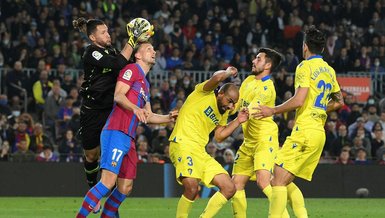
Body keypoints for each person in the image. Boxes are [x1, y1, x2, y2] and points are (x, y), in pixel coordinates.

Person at [77, 42, 177, 218]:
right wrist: (135, 109)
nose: (154, 51)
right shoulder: (130, 69)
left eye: (154, 49)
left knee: (125, 187)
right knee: (107, 182)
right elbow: (118, 95)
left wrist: (169, 118)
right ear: (137, 55)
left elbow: (148, 116)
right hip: (115, 131)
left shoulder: (145, 84)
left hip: (128, 138)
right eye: (149, 49)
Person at [256, 26, 344, 218]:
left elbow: (298, 100)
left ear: (305, 46)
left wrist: (273, 109)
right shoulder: (329, 70)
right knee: (284, 181)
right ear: (321, 48)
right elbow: (339, 101)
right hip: (318, 133)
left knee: (277, 180)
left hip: (305, 130)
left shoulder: (304, 67)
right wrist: (318, 108)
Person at [72, 16, 153, 214]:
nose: (108, 35)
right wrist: (132, 40)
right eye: (103, 32)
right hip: (93, 110)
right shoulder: (92, 52)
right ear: (92, 37)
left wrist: (142, 41)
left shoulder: (113, 51)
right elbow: (116, 64)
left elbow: (126, 65)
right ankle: (93, 187)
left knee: (111, 168)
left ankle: (105, 199)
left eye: (108, 31)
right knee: (91, 155)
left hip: (111, 110)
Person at [169, 66, 249, 218]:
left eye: (234, 104)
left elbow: (219, 136)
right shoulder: (203, 92)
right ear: (221, 93)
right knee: (192, 188)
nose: (231, 106)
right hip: (182, 143)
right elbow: (217, 78)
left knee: (229, 187)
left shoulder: (223, 112)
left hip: (200, 151)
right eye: (230, 101)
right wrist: (228, 72)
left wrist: (238, 121)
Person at [230, 48, 291, 218]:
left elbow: (248, 111)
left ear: (268, 65)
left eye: (258, 59)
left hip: (264, 138)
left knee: (263, 181)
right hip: (249, 140)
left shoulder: (267, 87)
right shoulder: (248, 80)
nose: (253, 61)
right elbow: (236, 105)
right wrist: (225, 104)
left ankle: (283, 215)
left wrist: (232, 121)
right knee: (236, 184)